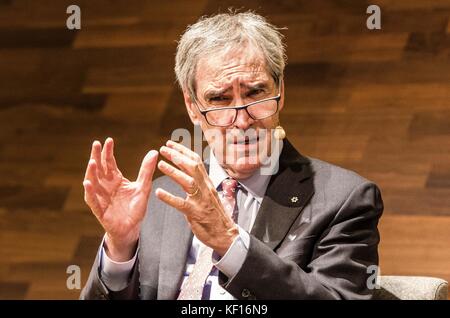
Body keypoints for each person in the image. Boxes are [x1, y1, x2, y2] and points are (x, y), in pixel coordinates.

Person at [80, 11, 383, 300]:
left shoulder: (343, 199)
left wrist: (230, 243)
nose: (241, 121)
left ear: (281, 92)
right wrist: (120, 248)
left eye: (255, 94)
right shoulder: (159, 200)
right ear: (192, 105)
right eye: (219, 99)